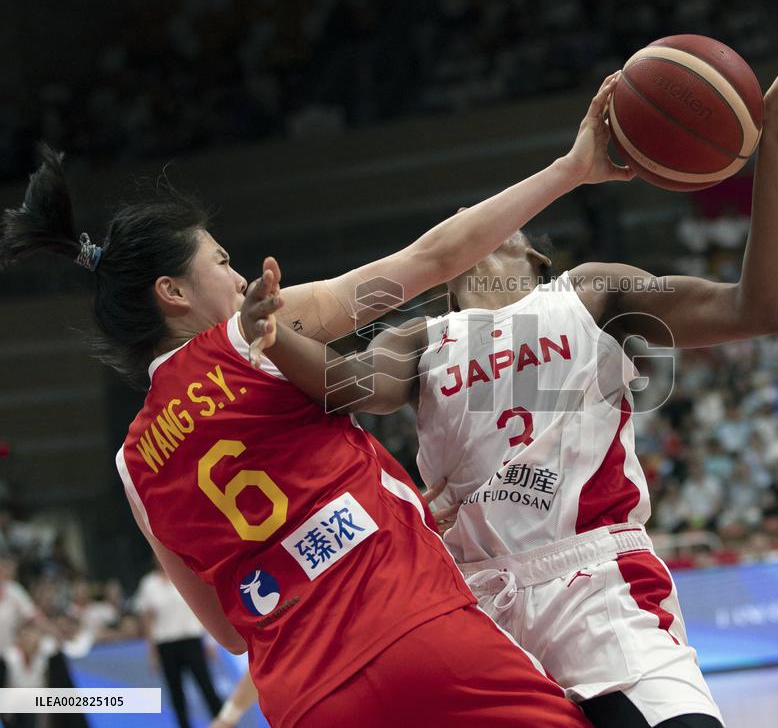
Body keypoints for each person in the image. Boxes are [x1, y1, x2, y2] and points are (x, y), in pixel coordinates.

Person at [0, 73, 629, 727]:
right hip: (417, 631)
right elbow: (433, 258)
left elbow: (231, 632)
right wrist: (570, 169)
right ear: (174, 292)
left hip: (305, 701)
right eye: (221, 260)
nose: (239, 277)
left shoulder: (132, 464)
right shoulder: (252, 334)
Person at [317, 2, 778, 728]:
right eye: (467, 223)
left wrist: (776, 130)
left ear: (535, 256)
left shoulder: (588, 293)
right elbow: (332, 385)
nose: (482, 227)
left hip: (602, 589)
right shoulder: (419, 341)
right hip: (479, 617)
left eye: (502, 223)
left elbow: (756, 309)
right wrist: (258, 333)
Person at [136, 560, 223, 728]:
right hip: (166, 644)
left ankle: (224, 723)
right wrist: (152, 652)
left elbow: (203, 608)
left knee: (207, 687)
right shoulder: (149, 584)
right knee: (176, 693)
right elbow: (148, 620)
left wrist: (210, 640)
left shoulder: (186, 574)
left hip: (191, 640)